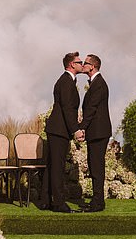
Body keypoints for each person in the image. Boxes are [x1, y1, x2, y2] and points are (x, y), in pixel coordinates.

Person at [41, 51, 83, 213]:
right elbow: (67, 108)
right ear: (71, 64)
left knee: (52, 165)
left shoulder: (66, 81)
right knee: (57, 167)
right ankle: (58, 203)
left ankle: (45, 201)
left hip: (57, 129)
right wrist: (75, 130)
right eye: (79, 62)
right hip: (59, 130)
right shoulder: (66, 81)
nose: (81, 65)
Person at [75, 54, 112, 212]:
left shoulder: (99, 84)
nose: (82, 65)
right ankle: (97, 200)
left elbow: (91, 109)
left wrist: (82, 127)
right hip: (97, 131)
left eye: (85, 63)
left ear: (93, 66)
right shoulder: (96, 83)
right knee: (94, 166)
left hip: (98, 132)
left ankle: (98, 203)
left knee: (96, 167)